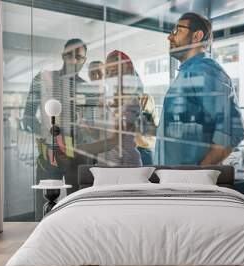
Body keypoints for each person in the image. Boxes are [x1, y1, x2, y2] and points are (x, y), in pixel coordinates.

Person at [23, 39, 118, 196]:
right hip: (49, 154)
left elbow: (91, 128)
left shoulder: (89, 89)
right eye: (69, 55)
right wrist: (48, 138)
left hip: (77, 158)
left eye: (78, 57)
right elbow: (28, 117)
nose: (73, 60)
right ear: (63, 55)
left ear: (84, 60)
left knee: (79, 204)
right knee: (43, 203)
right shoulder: (43, 79)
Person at [155, 12, 244, 165]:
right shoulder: (187, 72)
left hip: (187, 183)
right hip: (172, 180)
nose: (170, 37)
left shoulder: (204, 70)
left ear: (196, 36)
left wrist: (197, 174)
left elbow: (232, 131)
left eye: (178, 30)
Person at [103, 50, 158, 166]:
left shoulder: (143, 100)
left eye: (115, 72)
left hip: (141, 153)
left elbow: (151, 136)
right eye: (107, 72)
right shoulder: (107, 101)